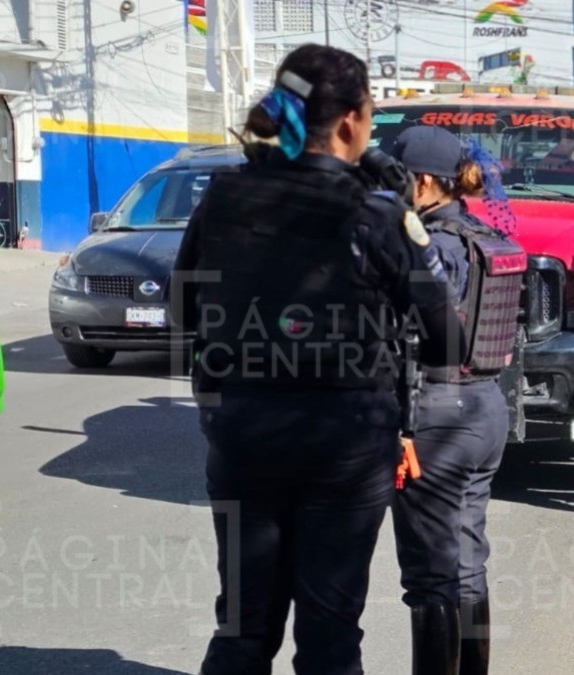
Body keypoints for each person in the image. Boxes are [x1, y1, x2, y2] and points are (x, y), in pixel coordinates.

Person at [171, 45, 466, 675]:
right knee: (330, 636)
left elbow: (184, 314)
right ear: (352, 123)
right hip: (346, 445)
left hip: (242, 434)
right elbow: (447, 337)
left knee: (243, 629)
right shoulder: (378, 213)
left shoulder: (223, 198)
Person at [388, 126, 523, 675]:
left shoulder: (431, 247)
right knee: (466, 562)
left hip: (437, 414)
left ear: (421, 182)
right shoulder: (481, 235)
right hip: (485, 406)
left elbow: (403, 333)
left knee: (430, 578)